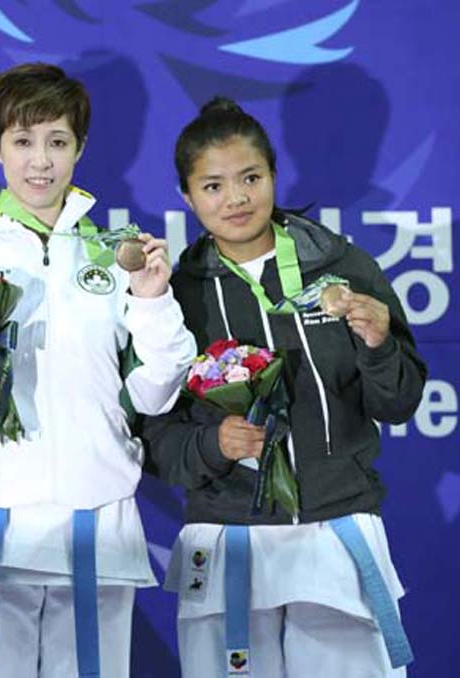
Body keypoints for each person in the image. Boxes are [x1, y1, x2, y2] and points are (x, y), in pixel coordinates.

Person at [0, 62, 196, 677]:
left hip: (96, 524)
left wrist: (154, 300)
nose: (40, 162)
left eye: (57, 141)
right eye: (23, 141)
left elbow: (154, 395)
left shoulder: (117, 254)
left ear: (80, 147)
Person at [142, 97, 425, 677]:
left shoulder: (344, 268)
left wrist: (378, 345)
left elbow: (398, 402)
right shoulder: (173, 296)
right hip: (227, 536)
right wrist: (212, 445)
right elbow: (153, 435)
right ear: (186, 197)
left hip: (336, 529)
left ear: (274, 175)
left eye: (251, 178)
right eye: (213, 186)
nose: (236, 198)